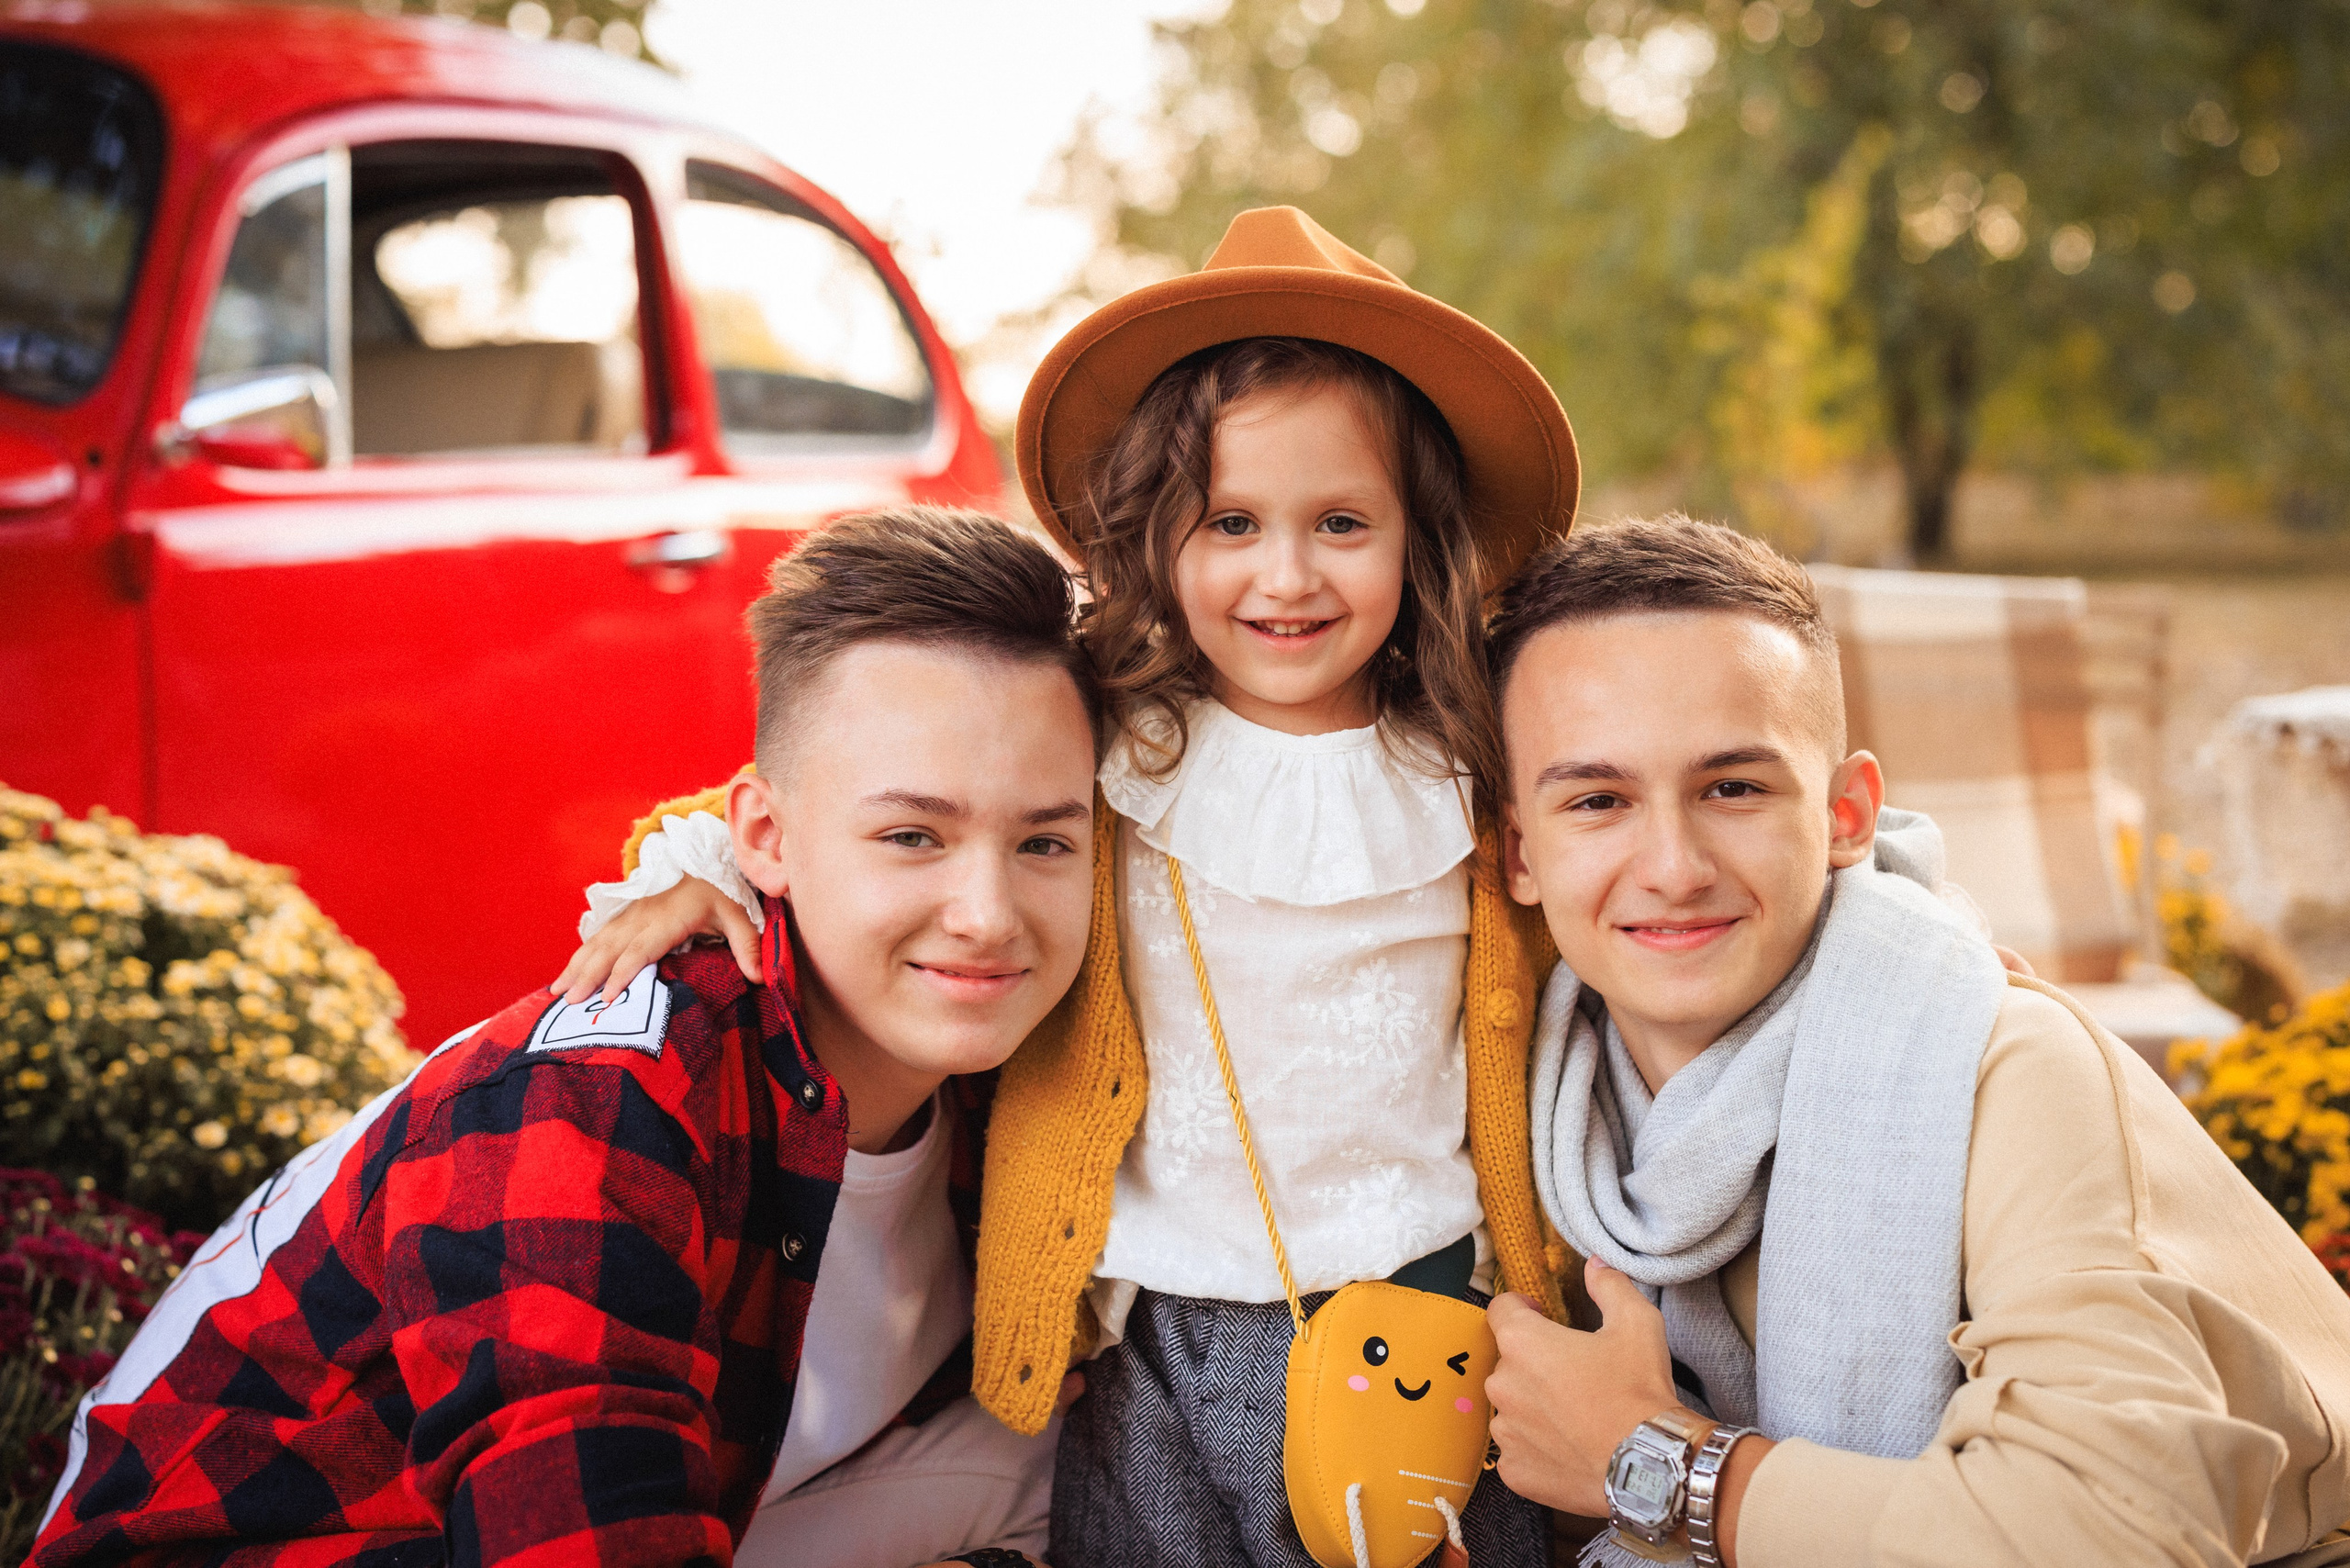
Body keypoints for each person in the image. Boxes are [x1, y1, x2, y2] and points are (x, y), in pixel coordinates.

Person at [554, 206, 1582, 1567]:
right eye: (1231, 521)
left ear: (1417, 535)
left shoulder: (1469, 754)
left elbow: (1646, 816)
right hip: (1145, 1324)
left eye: (1342, 522)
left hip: (1426, 1310)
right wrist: (690, 863)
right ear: (1159, 536)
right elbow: (870, 783)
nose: (1285, 575)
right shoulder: (1117, 736)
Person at [31, 509, 1099, 1568]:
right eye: (912, 836)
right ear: (765, 839)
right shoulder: (588, 1102)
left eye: (1044, 839)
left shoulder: (1028, 1070)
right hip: (294, 1542)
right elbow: (571, 1523)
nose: (987, 913)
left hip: (707, 1503)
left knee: (1070, 1459)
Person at [1477, 515, 2350, 1568]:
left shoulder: (1997, 1068)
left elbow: (2122, 1533)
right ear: (1520, 853)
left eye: (1733, 788)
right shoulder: (1534, 1106)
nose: (1672, 864)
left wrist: (1661, 1463)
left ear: (1846, 814)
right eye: (1598, 799)